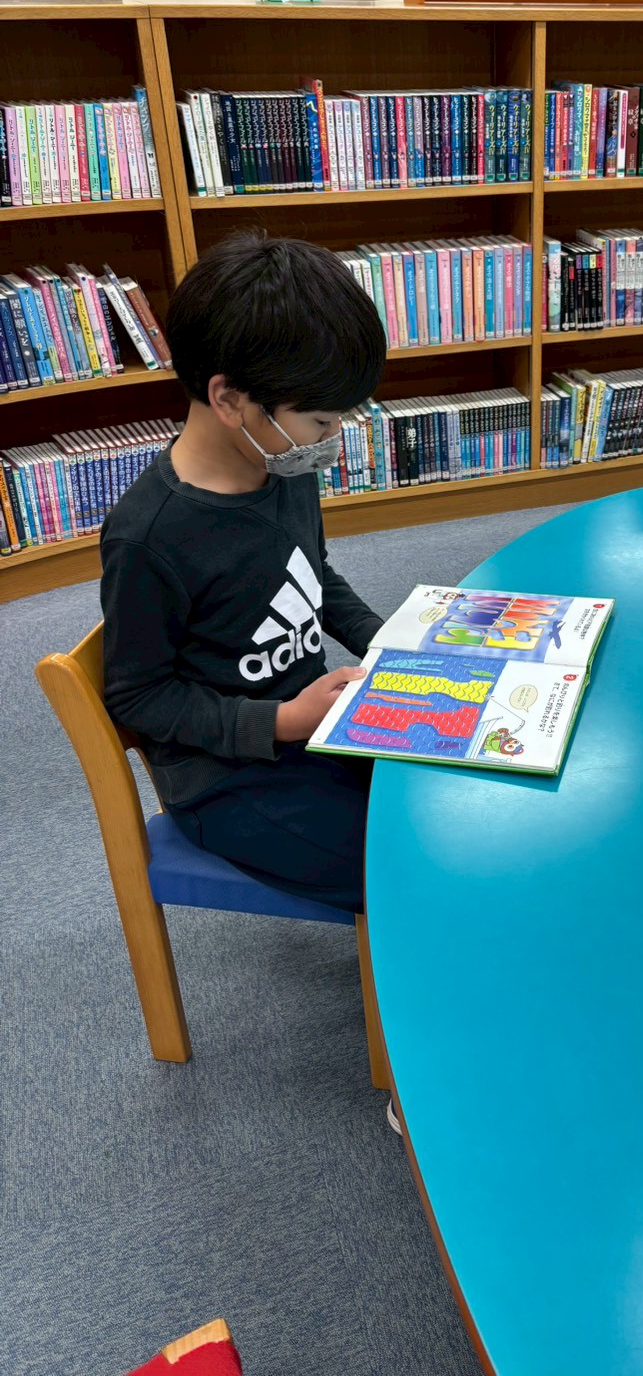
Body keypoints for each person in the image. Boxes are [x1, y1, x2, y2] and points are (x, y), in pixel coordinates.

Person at [100, 232, 387, 917]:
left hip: (314, 726)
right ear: (230, 400)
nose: (331, 438)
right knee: (403, 867)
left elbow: (311, 574)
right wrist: (283, 720)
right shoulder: (150, 536)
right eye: (320, 421)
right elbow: (139, 696)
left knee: (451, 796)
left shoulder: (281, 462)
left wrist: (384, 639)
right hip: (227, 781)